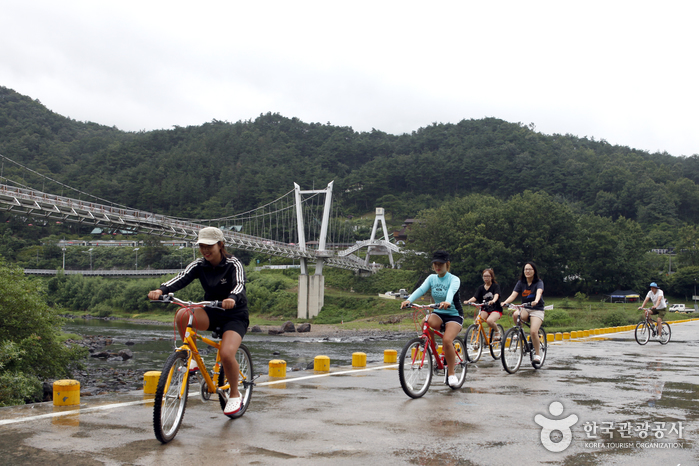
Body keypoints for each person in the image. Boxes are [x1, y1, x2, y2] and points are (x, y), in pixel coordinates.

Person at [148, 227, 248, 416]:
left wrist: (232, 298)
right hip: (211, 311)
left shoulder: (233, 264)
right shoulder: (199, 265)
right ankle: (191, 358)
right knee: (182, 314)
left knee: (227, 354)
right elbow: (180, 278)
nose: (205, 250)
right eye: (202, 246)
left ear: (220, 245)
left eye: (209, 246)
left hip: (234, 315)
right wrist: (161, 290)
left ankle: (235, 395)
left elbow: (240, 284)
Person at [401, 250, 464, 388]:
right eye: (435, 264)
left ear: (447, 264)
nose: (437, 267)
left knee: (447, 340)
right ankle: (433, 346)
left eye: (440, 264)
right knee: (425, 321)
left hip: (454, 314)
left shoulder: (454, 279)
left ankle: (452, 374)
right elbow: (421, 289)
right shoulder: (431, 278)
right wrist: (409, 300)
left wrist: (447, 301)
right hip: (438, 313)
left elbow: (451, 292)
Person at [501, 261, 545, 363]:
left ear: (534, 271)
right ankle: (519, 333)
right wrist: (505, 302)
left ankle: (537, 355)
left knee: (533, 331)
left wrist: (536, 301)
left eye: (530, 269)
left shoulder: (539, 282)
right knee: (516, 314)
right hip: (525, 308)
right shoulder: (521, 282)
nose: (527, 271)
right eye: (525, 269)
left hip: (537, 309)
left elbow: (539, 292)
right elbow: (513, 295)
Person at [464, 268, 503, 340]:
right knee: (477, 322)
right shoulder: (481, 288)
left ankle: (497, 331)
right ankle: (477, 340)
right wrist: (468, 301)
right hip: (485, 309)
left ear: (491, 277)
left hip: (496, 309)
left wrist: (493, 301)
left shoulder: (495, 286)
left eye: (488, 276)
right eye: (484, 276)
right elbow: (475, 297)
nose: (486, 278)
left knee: (489, 321)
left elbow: (496, 295)